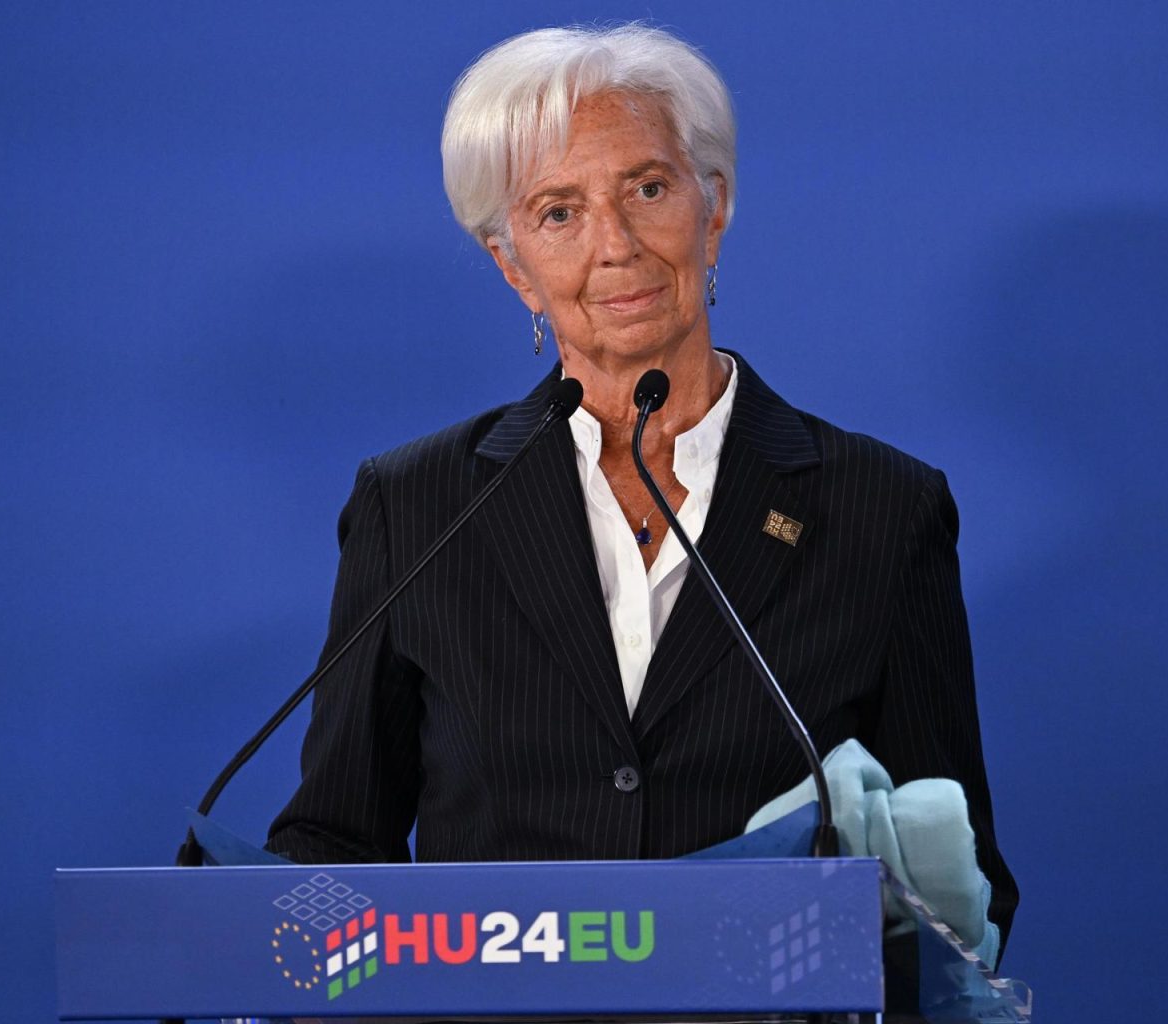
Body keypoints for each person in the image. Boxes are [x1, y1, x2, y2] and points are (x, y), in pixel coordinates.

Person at [266, 23, 1017, 956]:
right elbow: (334, 840)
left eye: (648, 189)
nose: (614, 245)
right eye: (557, 212)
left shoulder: (880, 507)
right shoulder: (417, 506)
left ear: (716, 206)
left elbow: (954, 864)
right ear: (513, 267)